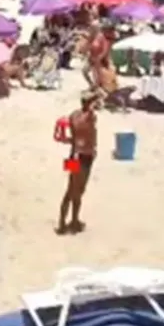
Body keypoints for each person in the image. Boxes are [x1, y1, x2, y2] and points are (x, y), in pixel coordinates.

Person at [57, 92, 99, 235]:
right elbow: (91, 118)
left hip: (73, 155)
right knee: (76, 191)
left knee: (71, 190)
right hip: (83, 157)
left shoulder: (74, 115)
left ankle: (68, 221)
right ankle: (67, 223)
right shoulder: (90, 117)